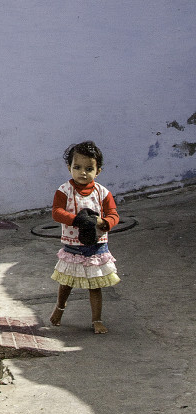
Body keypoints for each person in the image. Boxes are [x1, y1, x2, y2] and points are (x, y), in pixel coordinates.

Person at [49, 141, 119, 335]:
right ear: (69, 168)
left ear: (98, 171)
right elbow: (56, 213)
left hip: (96, 247)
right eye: (77, 167)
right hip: (73, 246)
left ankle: (97, 319)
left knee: (95, 285)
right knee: (67, 282)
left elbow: (114, 214)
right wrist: (77, 220)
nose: (82, 173)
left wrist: (103, 223)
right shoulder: (64, 191)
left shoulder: (103, 193)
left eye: (89, 169)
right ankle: (59, 308)